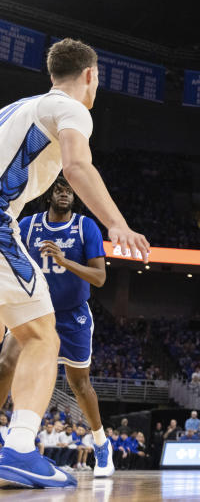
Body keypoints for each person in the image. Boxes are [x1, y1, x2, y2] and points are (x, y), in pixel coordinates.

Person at [0, 39, 149, 489]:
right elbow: (77, 166)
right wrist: (117, 223)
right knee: (41, 336)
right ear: (90, 76)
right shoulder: (72, 109)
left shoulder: (15, 108)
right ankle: (21, 447)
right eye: (98, 78)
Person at [0, 177, 114, 477]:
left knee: (79, 385)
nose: (65, 194)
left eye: (69, 190)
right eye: (59, 189)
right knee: (5, 363)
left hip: (71, 314)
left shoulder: (85, 226)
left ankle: (101, 443)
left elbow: (99, 277)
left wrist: (65, 260)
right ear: (49, 193)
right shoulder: (27, 225)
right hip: (34, 311)